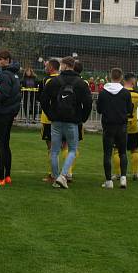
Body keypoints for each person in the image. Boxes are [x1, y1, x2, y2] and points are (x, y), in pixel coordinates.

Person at [39, 56, 91, 189]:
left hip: (56, 120)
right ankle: (63, 175)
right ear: (73, 66)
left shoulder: (54, 81)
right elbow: (88, 103)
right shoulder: (80, 83)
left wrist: (50, 115)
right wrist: (82, 118)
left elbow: (43, 100)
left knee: (54, 150)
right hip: (73, 121)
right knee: (72, 149)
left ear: (64, 65)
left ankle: (56, 177)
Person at [0, 50, 22, 185]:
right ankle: (7, 175)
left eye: (0, 59)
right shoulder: (15, 74)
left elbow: (3, 95)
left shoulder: (5, 75)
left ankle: (0, 177)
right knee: (6, 144)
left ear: (7, 60)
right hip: (10, 112)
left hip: (3, 113)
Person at [97, 68, 133, 189]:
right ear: (121, 77)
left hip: (108, 125)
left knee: (107, 154)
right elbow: (129, 109)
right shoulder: (125, 93)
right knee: (123, 152)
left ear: (109, 76)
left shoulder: (103, 92)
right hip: (122, 125)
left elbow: (99, 110)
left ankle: (108, 181)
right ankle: (123, 178)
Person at [111, 72, 138, 181]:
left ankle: (117, 173)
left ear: (124, 80)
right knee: (134, 149)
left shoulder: (119, 92)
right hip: (133, 124)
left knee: (116, 149)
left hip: (120, 124)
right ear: (133, 82)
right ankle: (135, 173)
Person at [38, 58, 60, 182]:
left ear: (51, 68)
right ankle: (66, 173)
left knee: (51, 148)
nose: (45, 68)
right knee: (64, 147)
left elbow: (41, 98)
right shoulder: (63, 80)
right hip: (61, 117)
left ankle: (53, 174)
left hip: (48, 118)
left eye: (46, 66)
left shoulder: (46, 80)